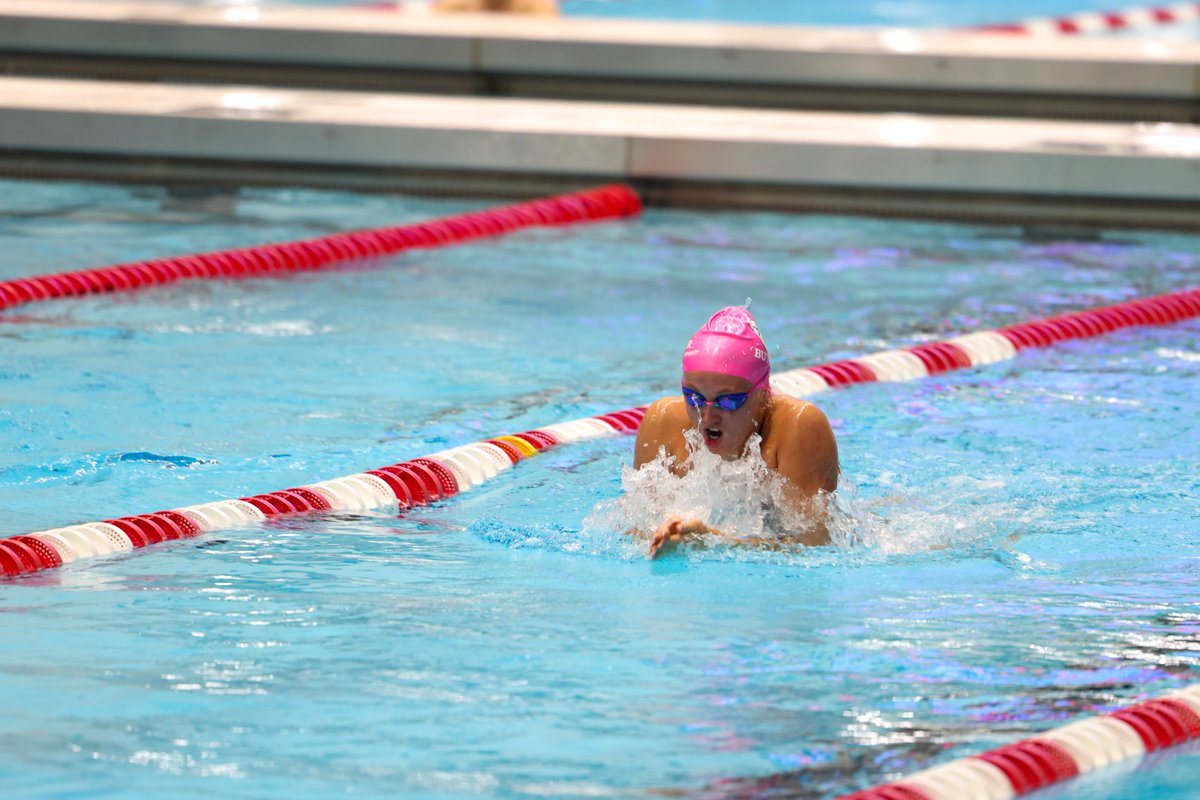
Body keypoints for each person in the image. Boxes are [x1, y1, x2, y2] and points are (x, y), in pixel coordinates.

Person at [632, 305, 839, 558]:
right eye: (694, 397)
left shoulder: (798, 427)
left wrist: (712, 541)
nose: (707, 417)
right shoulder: (663, 423)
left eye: (728, 401)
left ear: (763, 395)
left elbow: (814, 543)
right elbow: (636, 530)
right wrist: (664, 538)